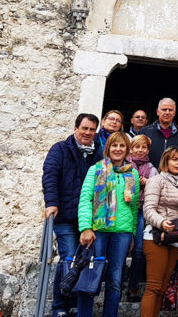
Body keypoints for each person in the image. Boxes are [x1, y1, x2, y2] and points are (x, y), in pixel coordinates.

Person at [42, 113, 103, 317]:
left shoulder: (99, 154)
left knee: (83, 261)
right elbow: (50, 175)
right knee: (68, 259)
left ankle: (76, 303)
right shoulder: (60, 149)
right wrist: (51, 203)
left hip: (87, 219)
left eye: (92, 130)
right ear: (76, 128)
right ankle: (59, 307)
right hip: (65, 217)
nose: (87, 133)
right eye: (84, 128)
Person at [77, 132, 140, 317]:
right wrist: (85, 228)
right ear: (108, 148)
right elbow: (85, 199)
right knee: (90, 276)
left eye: (122, 146)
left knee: (115, 279)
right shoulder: (96, 169)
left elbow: (134, 206)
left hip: (122, 233)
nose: (118, 149)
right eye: (114, 146)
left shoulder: (132, 173)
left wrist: (132, 233)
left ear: (127, 150)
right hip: (99, 231)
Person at [141, 146, 178, 317]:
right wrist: (162, 222)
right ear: (165, 161)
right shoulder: (157, 180)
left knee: (162, 289)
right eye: (174, 159)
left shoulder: (177, 183)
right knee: (153, 287)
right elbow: (148, 209)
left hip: (173, 239)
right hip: (156, 237)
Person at [127, 135, 157, 302]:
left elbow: (156, 188)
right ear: (131, 148)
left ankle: (133, 286)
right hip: (123, 211)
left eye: (143, 147)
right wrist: (138, 181)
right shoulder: (123, 166)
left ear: (148, 150)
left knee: (139, 250)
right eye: (136, 147)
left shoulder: (151, 169)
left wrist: (148, 183)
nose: (140, 150)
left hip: (140, 211)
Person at [141, 98, 178, 168]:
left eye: (170, 110)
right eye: (164, 109)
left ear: (174, 113)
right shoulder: (145, 132)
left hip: (173, 177)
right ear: (157, 112)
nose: (167, 112)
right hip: (149, 177)